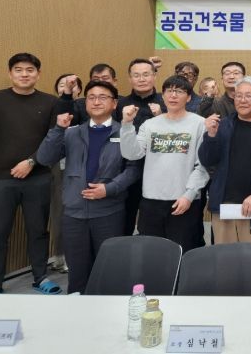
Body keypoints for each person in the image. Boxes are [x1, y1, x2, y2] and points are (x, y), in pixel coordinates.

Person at [36, 80, 140, 293]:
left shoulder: (125, 132)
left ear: (114, 103)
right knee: (77, 274)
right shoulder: (71, 132)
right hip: (74, 213)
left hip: (109, 211)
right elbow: (44, 157)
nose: (96, 102)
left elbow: (133, 169)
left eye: (103, 97)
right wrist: (58, 129)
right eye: (91, 97)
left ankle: (108, 312)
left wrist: (109, 189)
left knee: (109, 271)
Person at [0, 53, 61, 294]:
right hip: (1, 178)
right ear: (10, 73)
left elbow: (53, 140)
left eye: (30, 70)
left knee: (38, 231)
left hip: (38, 177)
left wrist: (31, 162)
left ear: (38, 74)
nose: (24, 74)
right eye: (18, 69)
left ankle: (40, 277)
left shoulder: (50, 102)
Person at [120, 75, 209, 252]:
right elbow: (132, 154)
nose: (173, 95)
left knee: (182, 252)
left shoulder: (200, 124)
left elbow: (203, 164)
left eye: (179, 91)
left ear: (188, 97)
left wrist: (189, 195)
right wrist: (127, 124)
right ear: (163, 96)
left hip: (184, 200)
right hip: (151, 200)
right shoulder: (150, 124)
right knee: (152, 253)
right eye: (169, 91)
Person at [198, 76, 251, 244]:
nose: (242, 100)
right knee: (225, 256)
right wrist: (211, 135)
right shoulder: (224, 125)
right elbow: (207, 160)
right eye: (238, 95)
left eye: (248, 96)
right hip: (224, 205)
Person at [115, 58, 166, 236]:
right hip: (127, 169)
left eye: (146, 74)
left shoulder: (166, 102)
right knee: (124, 220)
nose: (141, 79)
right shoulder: (121, 104)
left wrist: (161, 116)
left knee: (153, 223)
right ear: (129, 79)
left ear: (154, 76)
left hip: (158, 170)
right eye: (136, 75)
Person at [50, 73, 83, 274]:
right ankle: (59, 255)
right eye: (61, 85)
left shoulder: (85, 107)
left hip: (82, 166)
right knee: (60, 211)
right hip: (59, 166)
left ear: (79, 89)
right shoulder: (54, 108)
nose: (67, 88)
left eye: (71, 85)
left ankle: (74, 255)